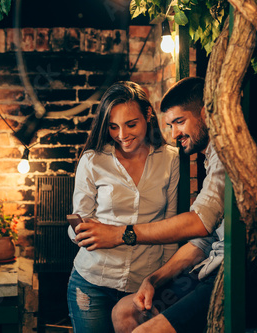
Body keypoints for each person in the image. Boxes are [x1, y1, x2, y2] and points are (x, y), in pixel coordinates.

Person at [74, 77, 257, 332]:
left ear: (205, 114)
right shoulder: (209, 158)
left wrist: (122, 234)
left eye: (180, 122)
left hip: (255, 275)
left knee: (146, 330)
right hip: (214, 267)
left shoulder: (231, 152)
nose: (175, 134)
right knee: (125, 312)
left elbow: (199, 223)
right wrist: (153, 280)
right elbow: (205, 241)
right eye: (170, 125)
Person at [67, 81, 180, 333]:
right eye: (113, 126)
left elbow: (171, 230)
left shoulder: (170, 159)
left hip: (143, 287)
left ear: (148, 116)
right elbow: (80, 218)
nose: (122, 135)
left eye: (131, 124)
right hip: (92, 282)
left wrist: (162, 282)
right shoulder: (93, 160)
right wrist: (80, 232)